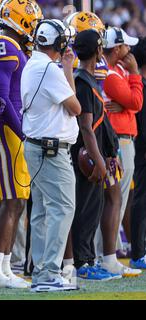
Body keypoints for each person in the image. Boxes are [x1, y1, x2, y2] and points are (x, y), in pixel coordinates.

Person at [0, 0, 43, 289]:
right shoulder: (3, 44)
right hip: (6, 129)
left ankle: (4, 267)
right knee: (10, 200)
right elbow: (2, 99)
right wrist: (23, 132)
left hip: (13, 129)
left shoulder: (13, 46)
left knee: (16, 200)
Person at [21, 19, 81, 292]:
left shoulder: (33, 64)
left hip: (38, 146)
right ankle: (48, 273)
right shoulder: (49, 69)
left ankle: (42, 270)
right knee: (62, 208)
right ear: (58, 43)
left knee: (43, 211)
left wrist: (65, 68)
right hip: (50, 149)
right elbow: (75, 106)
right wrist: (68, 70)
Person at [69, 29, 122, 281]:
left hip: (94, 152)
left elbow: (101, 125)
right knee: (86, 209)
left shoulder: (87, 80)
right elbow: (86, 127)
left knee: (93, 206)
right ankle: (84, 262)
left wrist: (110, 151)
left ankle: (87, 259)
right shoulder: (83, 81)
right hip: (86, 156)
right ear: (99, 50)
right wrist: (99, 160)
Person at [103, 27, 143, 269]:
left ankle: (110, 251)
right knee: (116, 197)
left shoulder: (117, 71)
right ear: (117, 48)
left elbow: (131, 103)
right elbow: (137, 102)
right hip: (120, 139)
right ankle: (108, 255)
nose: (130, 50)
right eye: (126, 46)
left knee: (118, 197)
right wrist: (136, 73)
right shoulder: (112, 74)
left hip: (125, 138)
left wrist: (127, 102)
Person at [130, 37, 146, 270]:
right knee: (141, 199)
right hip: (141, 149)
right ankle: (138, 252)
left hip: (138, 145)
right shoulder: (138, 82)